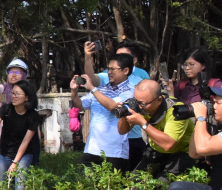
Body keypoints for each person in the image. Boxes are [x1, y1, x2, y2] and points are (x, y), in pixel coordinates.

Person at [85, 39, 150, 170]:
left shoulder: (141, 78)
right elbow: (91, 78)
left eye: (124, 56)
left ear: (134, 61)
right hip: (112, 141)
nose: (119, 59)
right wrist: (87, 56)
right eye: (117, 55)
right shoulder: (108, 75)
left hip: (133, 136)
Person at [116, 79, 195, 177]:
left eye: (143, 103)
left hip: (180, 153)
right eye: (136, 101)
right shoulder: (140, 105)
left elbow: (168, 144)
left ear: (158, 100)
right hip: (155, 150)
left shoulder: (176, 110)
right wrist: (125, 114)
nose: (139, 107)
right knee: (134, 183)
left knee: (162, 187)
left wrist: (143, 123)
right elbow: (122, 131)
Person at [70, 53, 135, 170]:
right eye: (108, 69)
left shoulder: (130, 91)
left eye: (113, 69)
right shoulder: (101, 89)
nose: (109, 72)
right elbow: (79, 105)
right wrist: (74, 91)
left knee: (112, 187)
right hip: (92, 148)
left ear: (126, 71)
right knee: (85, 186)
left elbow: (113, 106)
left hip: (114, 152)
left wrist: (92, 88)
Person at [0, 59, 29, 189]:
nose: (13, 75)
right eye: (11, 72)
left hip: (16, 141)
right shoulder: (3, 89)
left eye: (17, 72)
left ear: (24, 74)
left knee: (13, 177)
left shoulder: (29, 94)